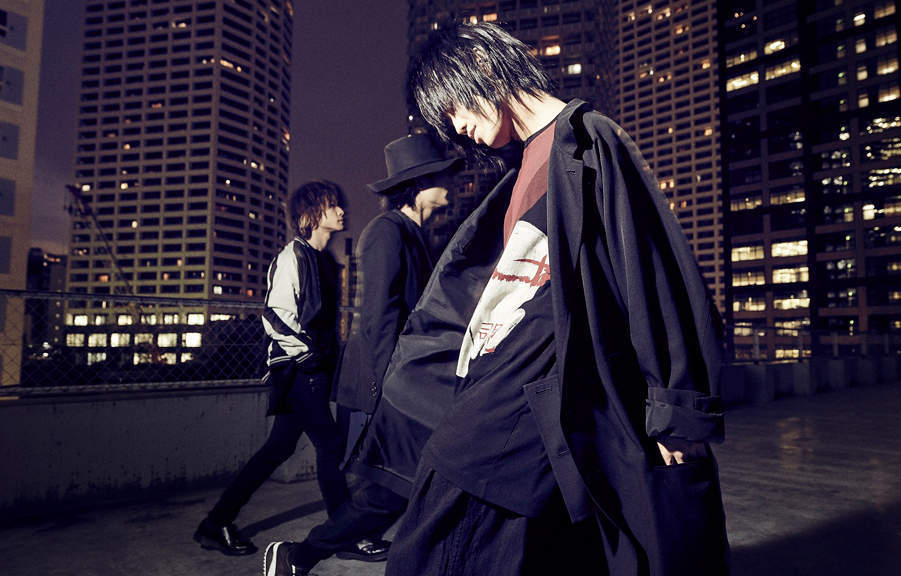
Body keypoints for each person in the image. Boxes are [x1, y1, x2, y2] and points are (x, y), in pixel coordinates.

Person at [352, 22, 730, 576]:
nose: (456, 127)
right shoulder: (522, 169)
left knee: (437, 538)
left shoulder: (587, 141)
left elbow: (653, 270)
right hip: (512, 393)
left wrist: (678, 406)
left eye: (453, 107)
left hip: (532, 397)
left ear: (481, 66)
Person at [262, 135, 463, 576]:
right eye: (441, 176)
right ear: (418, 185)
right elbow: (378, 318)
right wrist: (390, 388)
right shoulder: (386, 232)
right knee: (387, 489)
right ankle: (300, 554)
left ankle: (304, 554)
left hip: (407, 378)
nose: (450, 183)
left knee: (403, 487)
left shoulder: (415, 235)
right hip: (386, 380)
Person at [194, 181, 348, 557]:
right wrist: (307, 355)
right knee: (330, 446)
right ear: (312, 214)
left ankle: (214, 524)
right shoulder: (292, 256)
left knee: (278, 448)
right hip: (299, 369)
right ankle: (345, 533)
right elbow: (275, 315)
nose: (342, 210)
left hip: (315, 368)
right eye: (332, 205)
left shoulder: (327, 262)